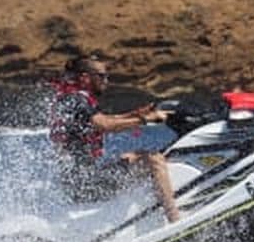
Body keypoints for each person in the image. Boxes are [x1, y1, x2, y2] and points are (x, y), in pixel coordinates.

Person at [48, 55, 180, 222]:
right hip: (87, 184)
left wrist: (135, 114)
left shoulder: (71, 99)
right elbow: (104, 125)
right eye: (102, 76)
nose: (106, 81)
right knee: (154, 159)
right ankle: (175, 219)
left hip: (80, 181)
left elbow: (106, 119)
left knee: (130, 157)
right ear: (85, 78)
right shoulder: (78, 100)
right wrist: (145, 120)